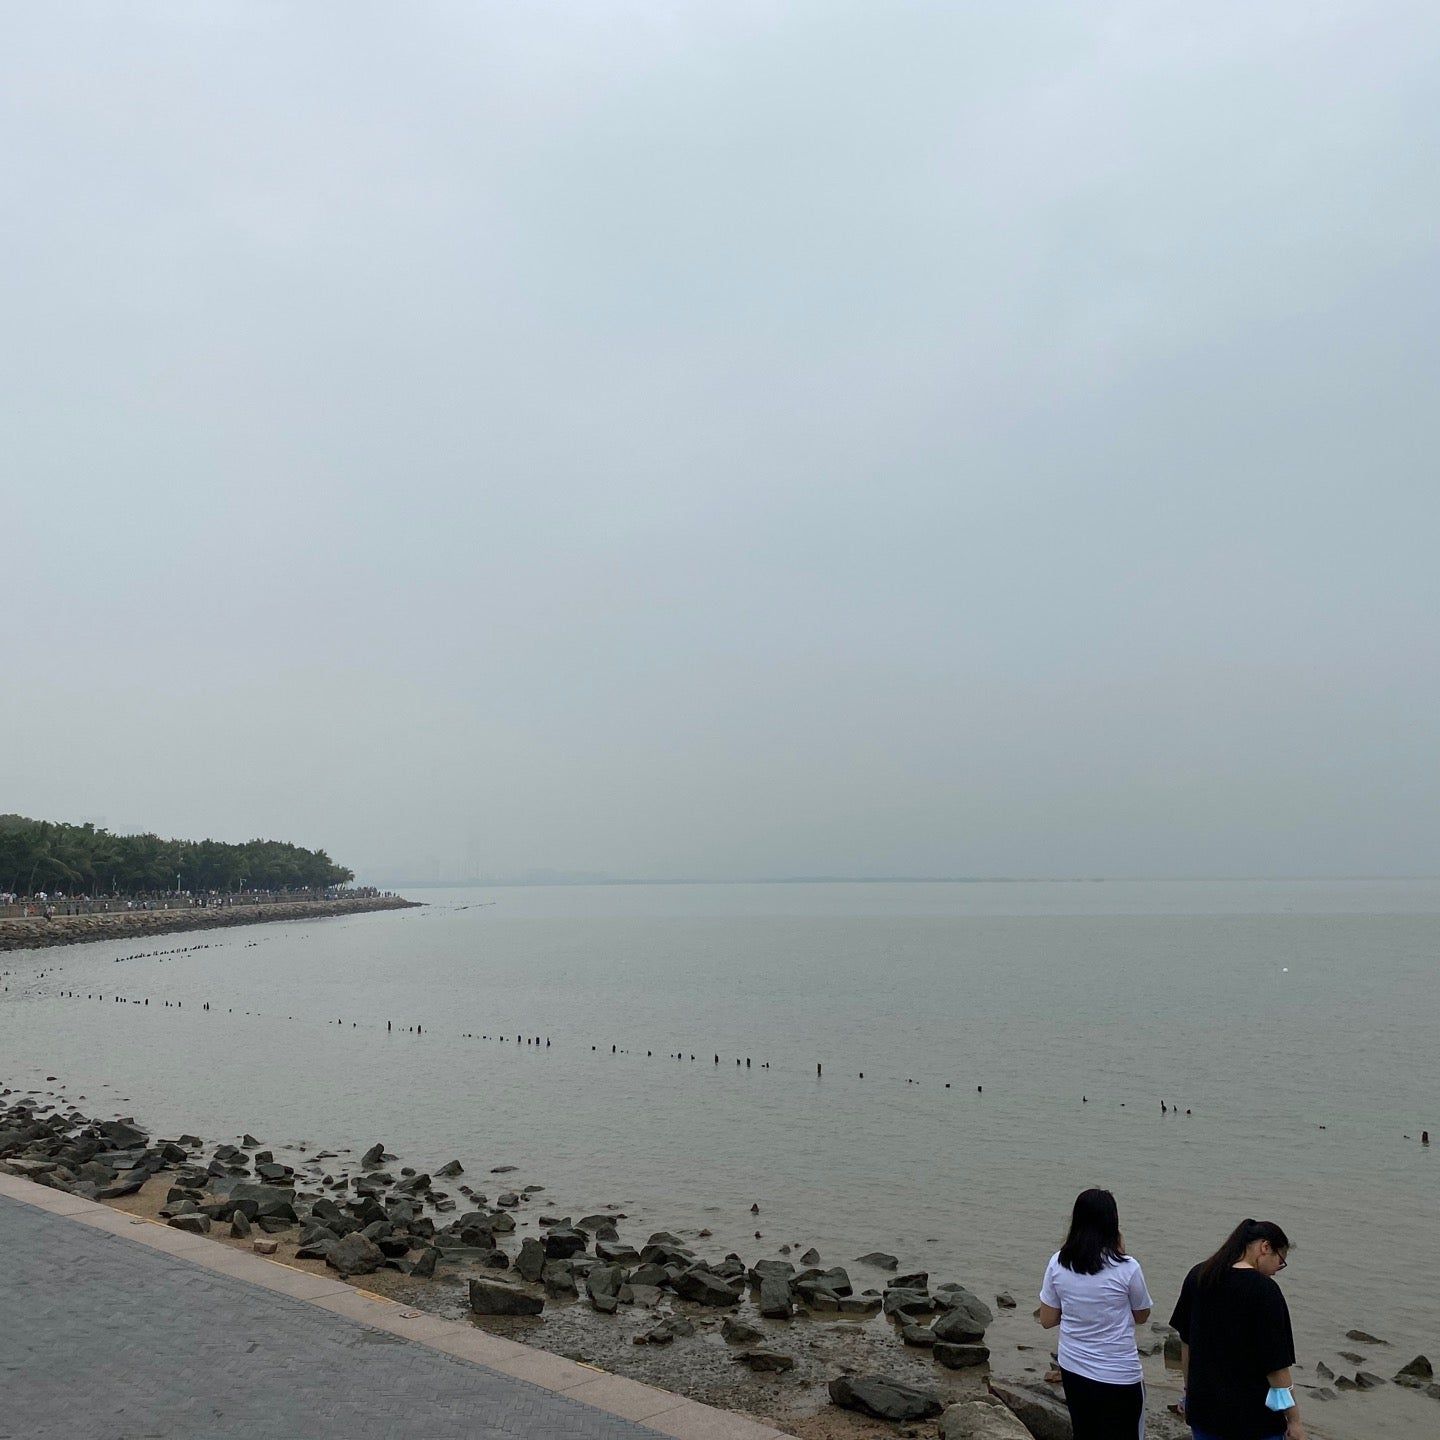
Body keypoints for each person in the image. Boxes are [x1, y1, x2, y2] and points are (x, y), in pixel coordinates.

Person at [1169, 1219, 1303, 1440]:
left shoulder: (1199, 1275)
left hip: (1205, 1413)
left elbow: (1187, 1344)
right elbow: (1276, 1369)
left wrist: (1189, 1393)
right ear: (1265, 1247)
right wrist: (1294, 1420)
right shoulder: (1265, 1291)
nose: (1277, 1271)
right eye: (1280, 1262)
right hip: (1254, 1420)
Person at [1037, 1188, 1153, 1438]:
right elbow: (1142, 1315)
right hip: (1119, 1374)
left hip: (1073, 1367)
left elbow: (1047, 1319)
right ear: (1113, 1223)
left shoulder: (1058, 1262)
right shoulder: (1128, 1267)